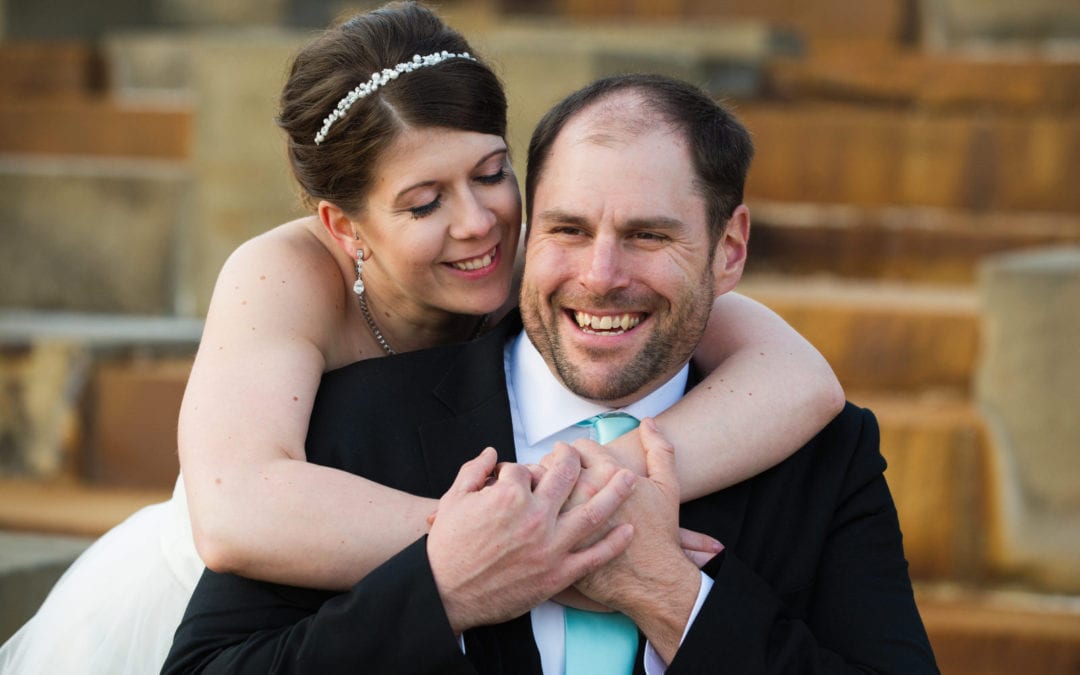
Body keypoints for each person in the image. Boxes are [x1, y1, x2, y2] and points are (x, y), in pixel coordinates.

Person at [0, 4, 842, 674]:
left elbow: (798, 377)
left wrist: (593, 491)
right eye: (423, 202)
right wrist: (514, 539)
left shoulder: (546, 259)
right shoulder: (284, 276)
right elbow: (236, 509)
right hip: (247, 607)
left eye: (490, 173)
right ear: (344, 223)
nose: (478, 225)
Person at [162, 73, 938, 673]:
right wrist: (443, 589)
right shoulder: (354, 417)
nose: (601, 275)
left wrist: (672, 597)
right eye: (568, 228)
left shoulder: (822, 453)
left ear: (729, 249)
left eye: (648, 234)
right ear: (533, 230)